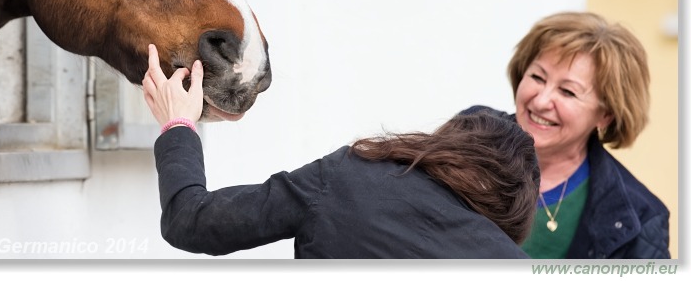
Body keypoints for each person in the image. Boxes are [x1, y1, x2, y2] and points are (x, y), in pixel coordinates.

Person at [142, 44, 540, 258]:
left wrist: (179, 125)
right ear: (517, 206)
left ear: (442, 144)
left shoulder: (347, 178)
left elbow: (191, 221)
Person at [464, 11, 670, 259]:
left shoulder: (640, 218)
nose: (541, 101)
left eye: (568, 92)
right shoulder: (468, 136)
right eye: (537, 77)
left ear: (606, 114)